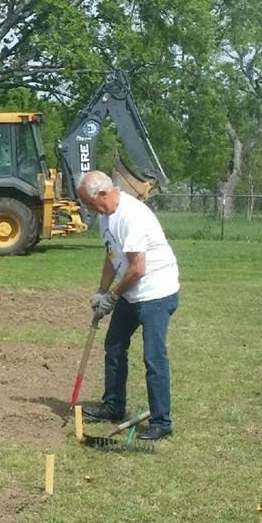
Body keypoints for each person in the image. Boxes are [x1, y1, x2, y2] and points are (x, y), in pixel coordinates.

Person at [77, 170, 180, 441]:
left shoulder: (132, 215)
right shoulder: (105, 217)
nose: (88, 209)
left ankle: (161, 421)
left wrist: (112, 297)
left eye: (89, 203)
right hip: (132, 292)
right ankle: (113, 405)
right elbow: (112, 256)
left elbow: (137, 268)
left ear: (103, 194)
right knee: (114, 344)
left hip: (156, 292)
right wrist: (101, 291)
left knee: (153, 356)